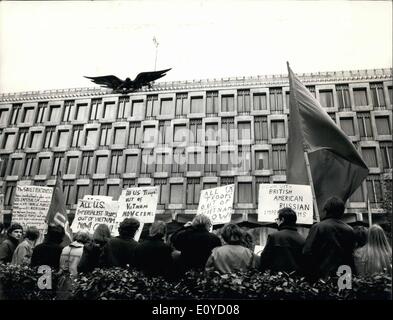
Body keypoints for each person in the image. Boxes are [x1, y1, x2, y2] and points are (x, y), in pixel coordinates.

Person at [303, 197, 356, 280]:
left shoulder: (318, 227)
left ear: (326, 210)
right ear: (342, 211)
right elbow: (350, 255)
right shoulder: (350, 230)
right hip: (344, 277)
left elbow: (307, 252)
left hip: (322, 277)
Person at [259, 208, 306, 274]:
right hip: (296, 280)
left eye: (277, 219)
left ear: (282, 220)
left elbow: (264, 259)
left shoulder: (274, 237)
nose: (276, 221)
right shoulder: (302, 239)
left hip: (277, 279)